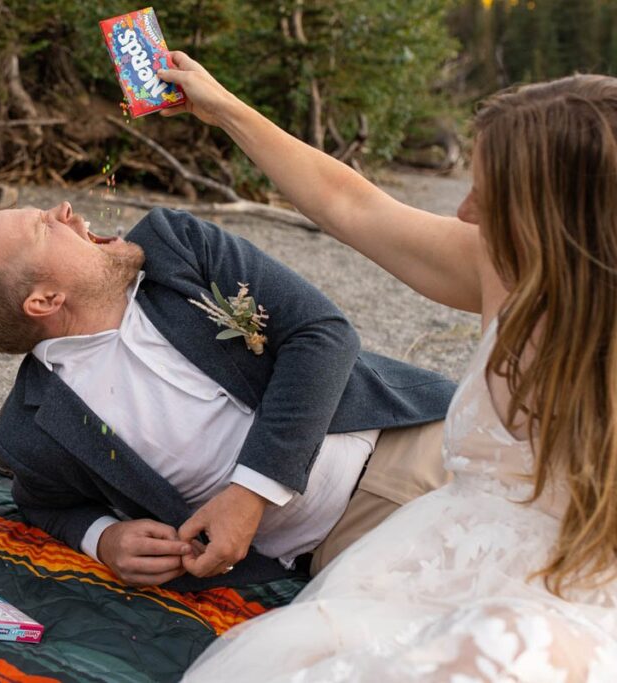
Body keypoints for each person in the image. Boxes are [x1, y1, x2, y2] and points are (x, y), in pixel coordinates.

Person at [156, 54, 617, 678]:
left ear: (562, 213)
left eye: (493, 193)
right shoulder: (504, 264)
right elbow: (353, 206)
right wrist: (223, 108)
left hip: (574, 597)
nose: (465, 212)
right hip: (438, 557)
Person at [0, 190, 455, 591]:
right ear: (46, 299)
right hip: (348, 544)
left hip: (411, 439)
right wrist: (104, 538)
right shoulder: (31, 426)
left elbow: (322, 333)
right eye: (43, 227)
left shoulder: (176, 246)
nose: (65, 210)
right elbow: (42, 503)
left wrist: (252, 491)